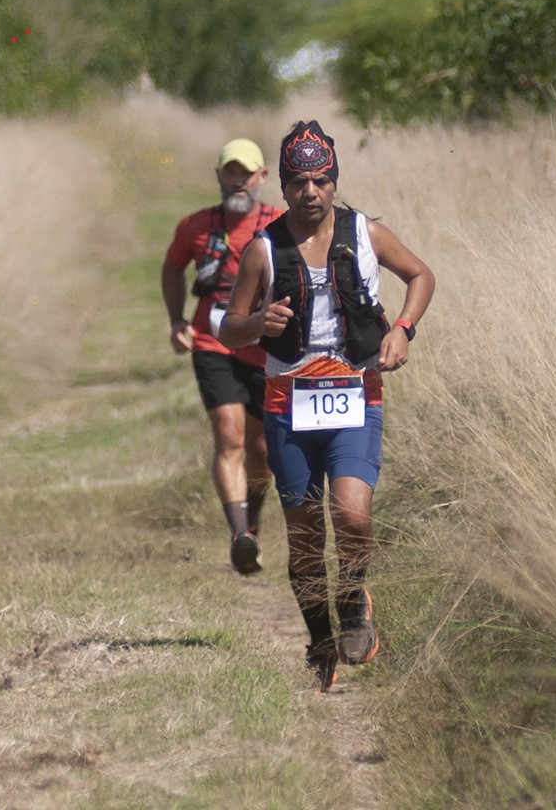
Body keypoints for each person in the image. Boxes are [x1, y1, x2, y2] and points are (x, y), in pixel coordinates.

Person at [221, 120, 434, 691]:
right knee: (305, 535)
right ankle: (319, 638)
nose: (309, 192)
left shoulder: (366, 233)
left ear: (335, 183)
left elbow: (420, 275)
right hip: (289, 404)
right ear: (283, 188)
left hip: (356, 395)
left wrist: (403, 331)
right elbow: (230, 328)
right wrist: (256, 323)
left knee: (354, 515)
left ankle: (352, 600)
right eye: (298, 183)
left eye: (320, 180)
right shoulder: (264, 250)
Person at [162, 137, 281, 574]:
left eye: (246, 173)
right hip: (213, 344)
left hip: (265, 348)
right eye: (230, 172)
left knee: (262, 448)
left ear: (262, 178)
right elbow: (172, 266)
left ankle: (253, 522)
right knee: (228, 435)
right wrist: (177, 321)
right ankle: (239, 536)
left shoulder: (281, 225)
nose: (238, 181)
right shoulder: (194, 226)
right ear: (218, 176)